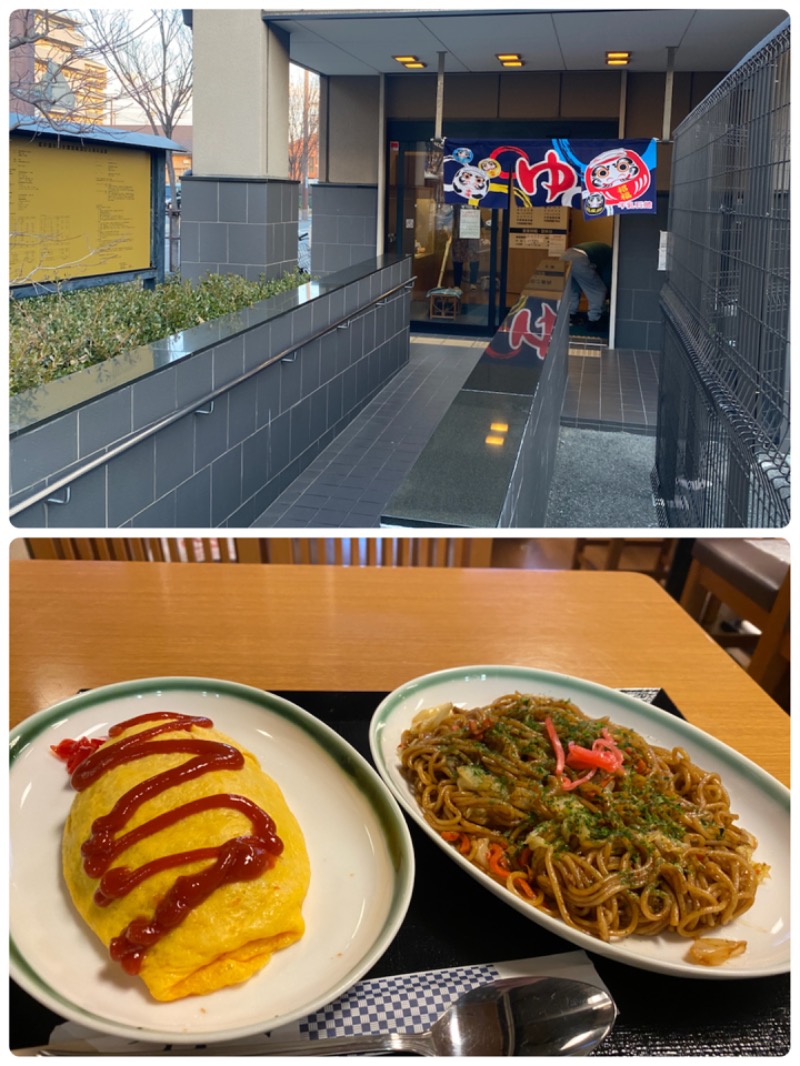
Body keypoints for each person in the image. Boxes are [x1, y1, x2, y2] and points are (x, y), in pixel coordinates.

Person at [560, 241, 612, 330]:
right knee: (598, 290)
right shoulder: (611, 256)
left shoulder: (603, 249)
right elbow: (606, 278)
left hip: (565, 256)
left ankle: (571, 316)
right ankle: (594, 321)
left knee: (573, 289)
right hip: (579, 259)